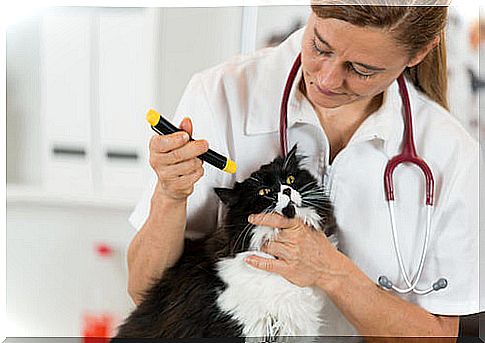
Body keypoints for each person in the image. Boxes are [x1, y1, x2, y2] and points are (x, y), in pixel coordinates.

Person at [126, 2, 482, 338]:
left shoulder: (450, 153)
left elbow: (436, 337)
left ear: (418, 53)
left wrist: (332, 272)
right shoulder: (223, 94)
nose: (326, 79)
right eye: (320, 46)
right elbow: (145, 290)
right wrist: (170, 195)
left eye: (361, 70)